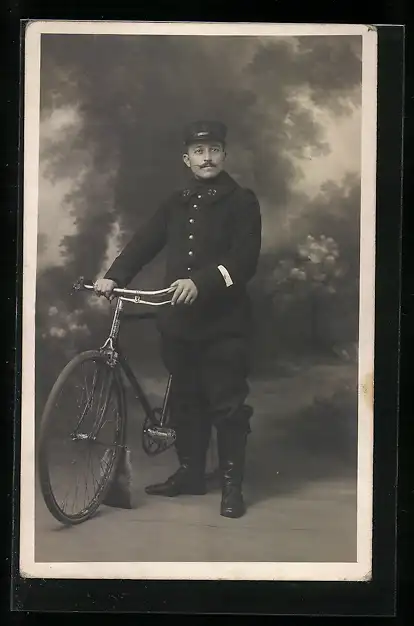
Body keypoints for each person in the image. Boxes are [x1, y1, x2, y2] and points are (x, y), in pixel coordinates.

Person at [94, 120, 262, 518]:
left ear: (224, 155)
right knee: (186, 400)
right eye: (199, 152)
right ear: (186, 159)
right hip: (180, 322)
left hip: (224, 325)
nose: (207, 158)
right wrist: (115, 276)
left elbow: (244, 261)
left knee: (227, 405)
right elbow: (144, 242)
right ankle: (190, 475)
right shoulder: (177, 202)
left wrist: (201, 282)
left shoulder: (242, 201)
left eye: (214, 150)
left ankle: (231, 487)